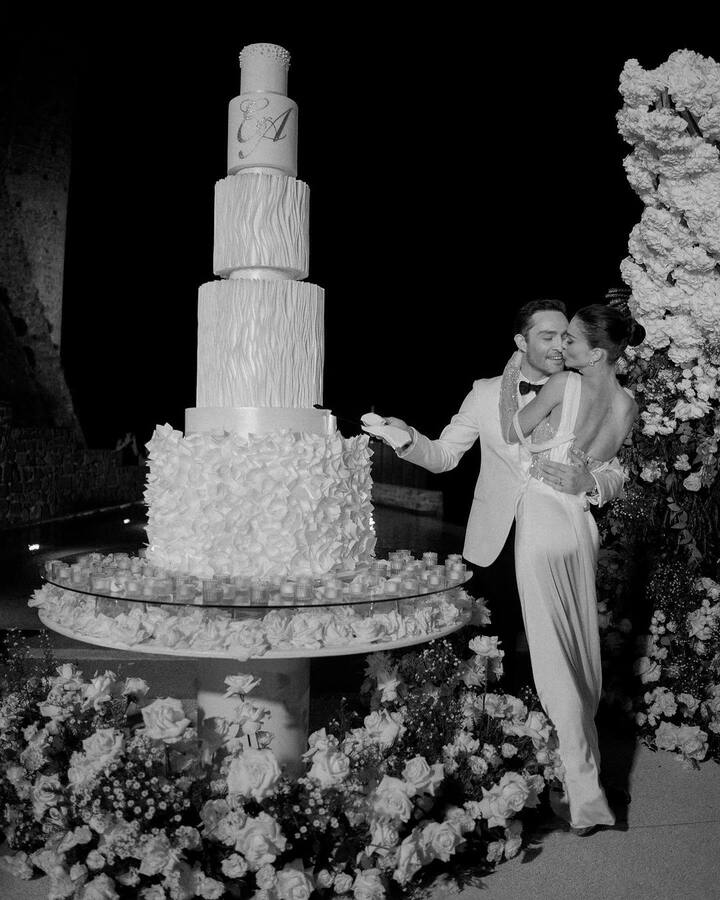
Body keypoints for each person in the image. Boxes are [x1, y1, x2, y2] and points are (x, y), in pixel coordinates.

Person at [382, 299, 627, 691]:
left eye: (564, 337)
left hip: (553, 535)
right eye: (547, 336)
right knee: (485, 647)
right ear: (520, 341)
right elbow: (446, 456)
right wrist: (409, 440)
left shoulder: (586, 390)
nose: (559, 346)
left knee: (545, 649)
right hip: (494, 539)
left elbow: (614, 470)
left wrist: (589, 483)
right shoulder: (484, 393)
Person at [502, 302, 640, 833]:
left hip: (541, 514)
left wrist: (520, 369)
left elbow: (516, 430)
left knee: (552, 655)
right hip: (581, 526)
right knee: (582, 650)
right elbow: (610, 473)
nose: (563, 347)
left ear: (597, 353)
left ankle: (585, 798)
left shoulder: (562, 384)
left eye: (574, 341)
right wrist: (591, 483)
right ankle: (589, 779)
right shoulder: (627, 404)